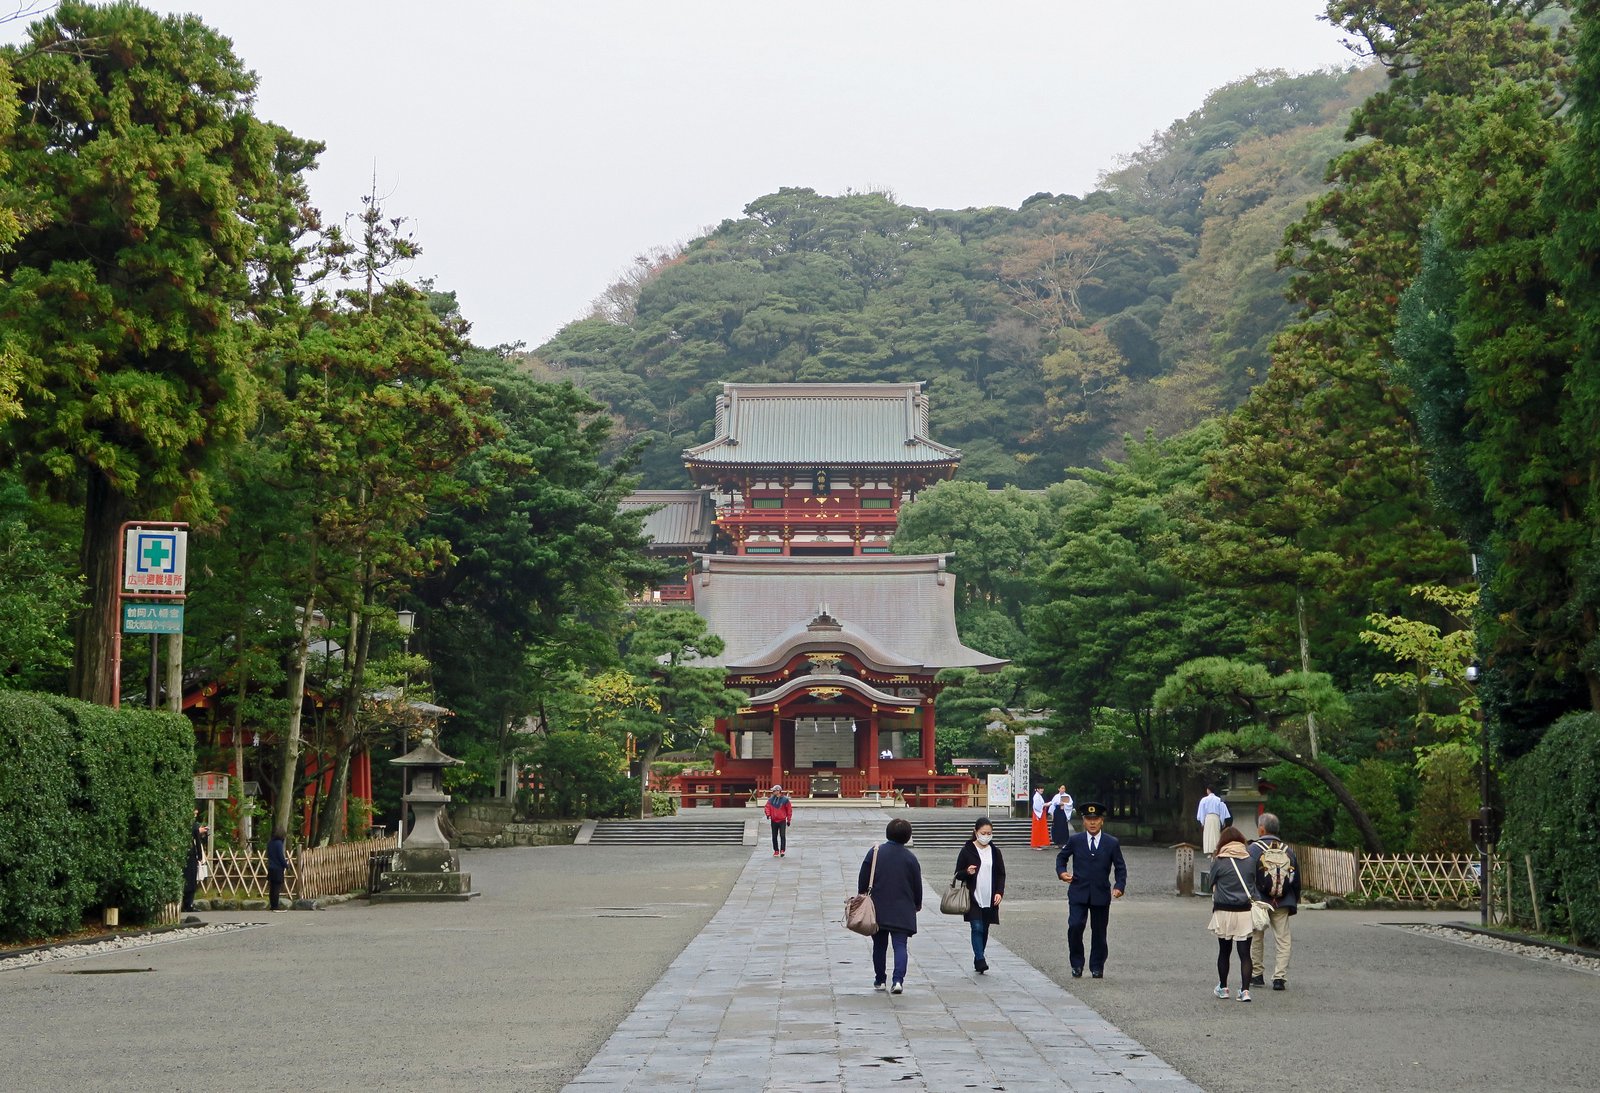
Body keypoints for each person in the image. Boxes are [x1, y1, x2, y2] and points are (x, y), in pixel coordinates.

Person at [1054, 801, 1126, 978]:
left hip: (1100, 892)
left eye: (1096, 819)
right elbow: (1061, 858)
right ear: (1083, 821)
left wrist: (1119, 886)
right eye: (1088, 819)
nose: (1092, 822)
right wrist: (1062, 872)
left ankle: (1097, 966)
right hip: (1078, 891)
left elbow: (1120, 867)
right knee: (1075, 926)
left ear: (1102, 821)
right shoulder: (1075, 840)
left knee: (1099, 931)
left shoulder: (1111, 842)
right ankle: (1077, 963)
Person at [859, 817, 921, 994]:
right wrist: (917, 903)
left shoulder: (875, 853)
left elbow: (863, 877)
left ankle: (880, 980)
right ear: (907, 836)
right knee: (900, 945)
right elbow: (917, 885)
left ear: (888, 833)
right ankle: (898, 980)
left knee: (879, 945)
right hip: (903, 908)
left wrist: (862, 895)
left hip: (878, 907)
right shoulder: (911, 858)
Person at [1247, 812, 1300, 991]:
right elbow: (1295, 879)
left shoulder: (1254, 849)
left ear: (1262, 829)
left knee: (1257, 936)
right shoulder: (1288, 850)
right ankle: (1279, 977)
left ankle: (1257, 974)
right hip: (1282, 900)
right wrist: (1293, 900)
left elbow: (1248, 875)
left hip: (1259, 900)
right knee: (1283, 939)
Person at [1207, 825, 1259, 1002]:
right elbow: (1253, 882)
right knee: (1245, 953)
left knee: (1224, 951)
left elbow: (1210, 882)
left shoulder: (1219, 861)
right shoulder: (1250, 860)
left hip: (1223, 910)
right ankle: (1245, 991)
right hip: (1244, 910)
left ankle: (1223, 987)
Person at [954, 816, 1006, 974]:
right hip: (973, 895)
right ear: (976, 832)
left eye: (989, 833)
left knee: (984, 928)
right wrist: (967, 872)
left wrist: (999, 892)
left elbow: (1001, 874)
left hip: (990, 896)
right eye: (983, 833)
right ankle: (980, 958)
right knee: (976, 927)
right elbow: (958, 874)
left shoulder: (995, 852)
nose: (986, 836)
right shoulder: (967, 850)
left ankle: (978, 957)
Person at [181, 810, 207, 913]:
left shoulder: (191, 825)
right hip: (190, 854)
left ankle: (187, 903)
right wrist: (200, 855)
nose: (195, 815)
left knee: (189, 879)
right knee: (190, 879)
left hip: (188, 854)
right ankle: (188, 904)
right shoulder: (193, 825)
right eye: (194, 813)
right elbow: (197, 841)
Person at [1196, 786, 1231, 856]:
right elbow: (1222, 811)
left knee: (1208, 835)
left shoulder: (1204, 800)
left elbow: (1202, 811)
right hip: (1216, 818)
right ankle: (1216, 850)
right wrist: (1222, 821)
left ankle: (1210, 851)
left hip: (1208, 818)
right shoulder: (1219, 800)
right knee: (1216, 834)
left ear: (1208, 790)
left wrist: (1202, 821)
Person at [764, 784, 792, 857]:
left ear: (778, 791)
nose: (773, 792)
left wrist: (788, 819)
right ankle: (776, 850)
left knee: (782, 835)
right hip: (774, 820)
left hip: (782, 820)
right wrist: (768, 814)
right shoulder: (770, 800)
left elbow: (789, 810)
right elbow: (767, 807)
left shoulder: (785, 800)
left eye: (774, 791)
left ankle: (782, 850)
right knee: (774, 836)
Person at [267, 831, 289, 913]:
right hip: (277, 868)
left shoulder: (270, 843)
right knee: (276, 887)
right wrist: (286, 865)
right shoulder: (279, 843)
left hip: (271, 867)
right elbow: (280, 856)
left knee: (272, 887)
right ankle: (275, 906)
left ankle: (272, 905)